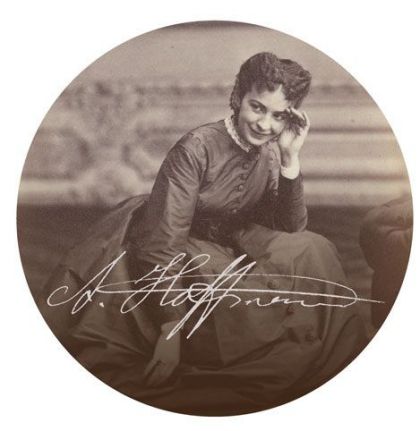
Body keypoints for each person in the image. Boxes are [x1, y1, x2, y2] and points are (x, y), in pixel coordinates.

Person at [39, 52, 369, 415]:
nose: (265, 124)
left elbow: (290, 231)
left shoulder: (271, 153)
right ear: (237, 97)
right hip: (172, 247)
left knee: (314, 249)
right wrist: (170, 330)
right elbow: (161, 240)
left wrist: (290, 159)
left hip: (231, 244)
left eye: (278, 115)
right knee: (239, 300)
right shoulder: (195, 148)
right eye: (257, 107)